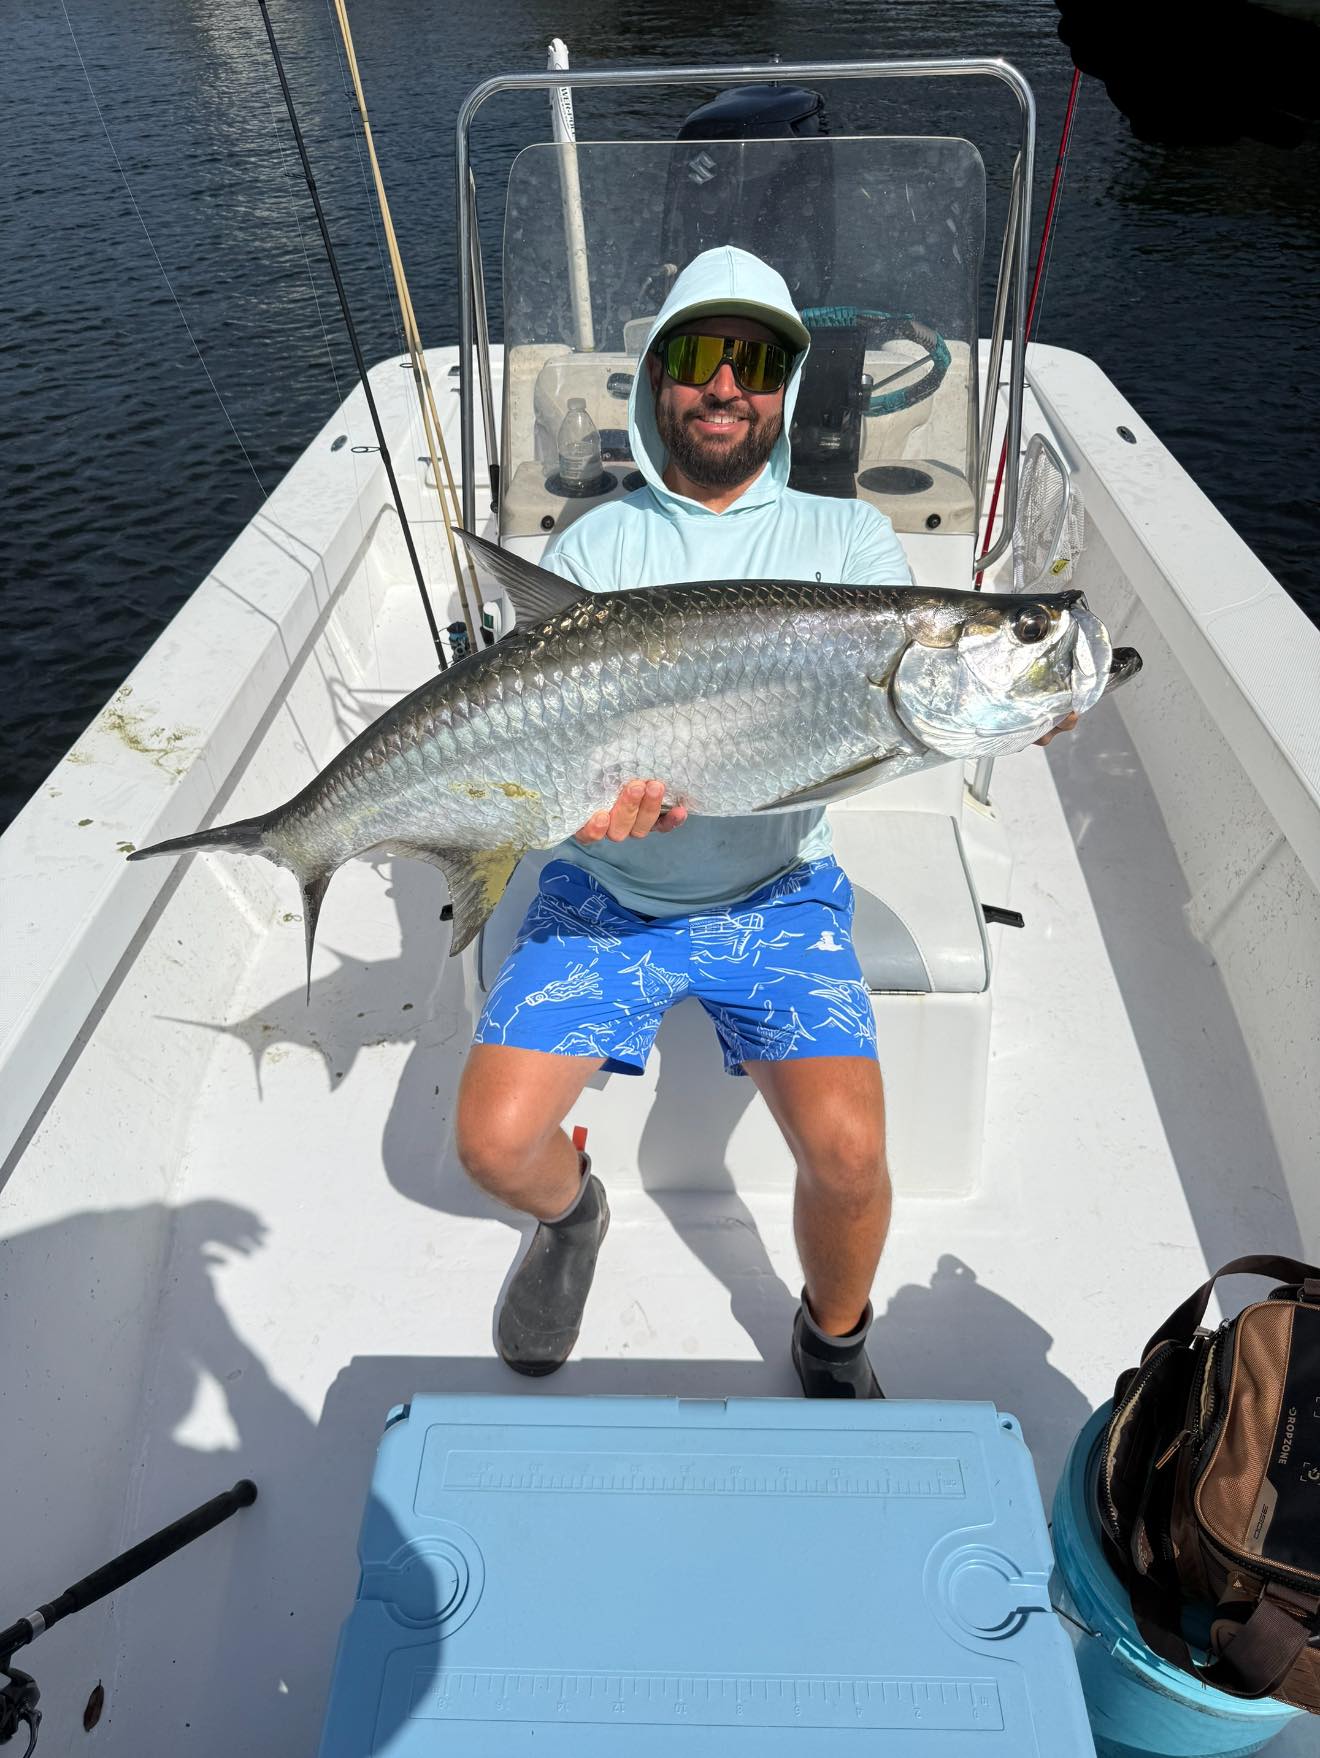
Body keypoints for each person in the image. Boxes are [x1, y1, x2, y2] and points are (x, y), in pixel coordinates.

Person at [454, 245, 1067, 1397]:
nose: (726, 386)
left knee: (848, 1152)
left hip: (776, 890)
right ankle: (573, 1215)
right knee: (490, 1146)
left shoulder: (850, 547)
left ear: (785, 385)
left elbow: (904, 720)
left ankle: (832, 1336)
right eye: (699, 357)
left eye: (757, 362)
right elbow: (541, 763)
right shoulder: (595, 547)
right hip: (609, 893)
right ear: (657, 380)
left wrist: (1008, 708)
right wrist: (582, 827)